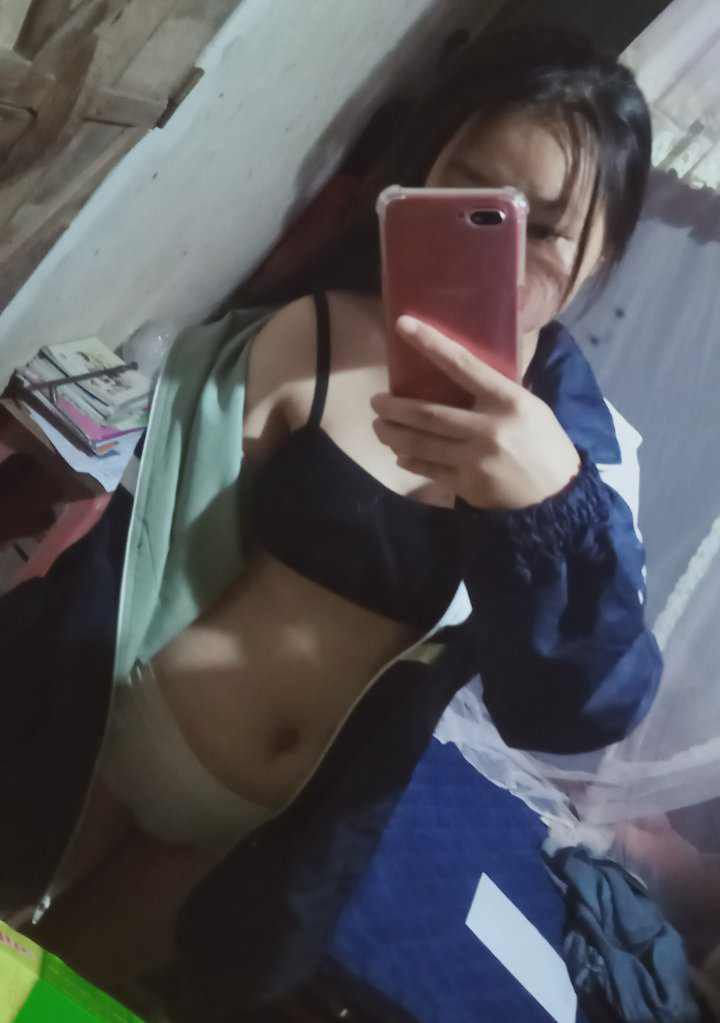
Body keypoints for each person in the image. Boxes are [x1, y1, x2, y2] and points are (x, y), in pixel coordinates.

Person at [0, 23, 661, 1017]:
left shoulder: (581, 470)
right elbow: (147, 532)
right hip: (119, 727)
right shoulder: (316, 330)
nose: (501, 246)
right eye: (474, 193)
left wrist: (547, 501)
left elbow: (575, 705)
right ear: (424, 174)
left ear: (603, 255)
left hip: (249, 829)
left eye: (548, 228)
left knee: (63, 1001)